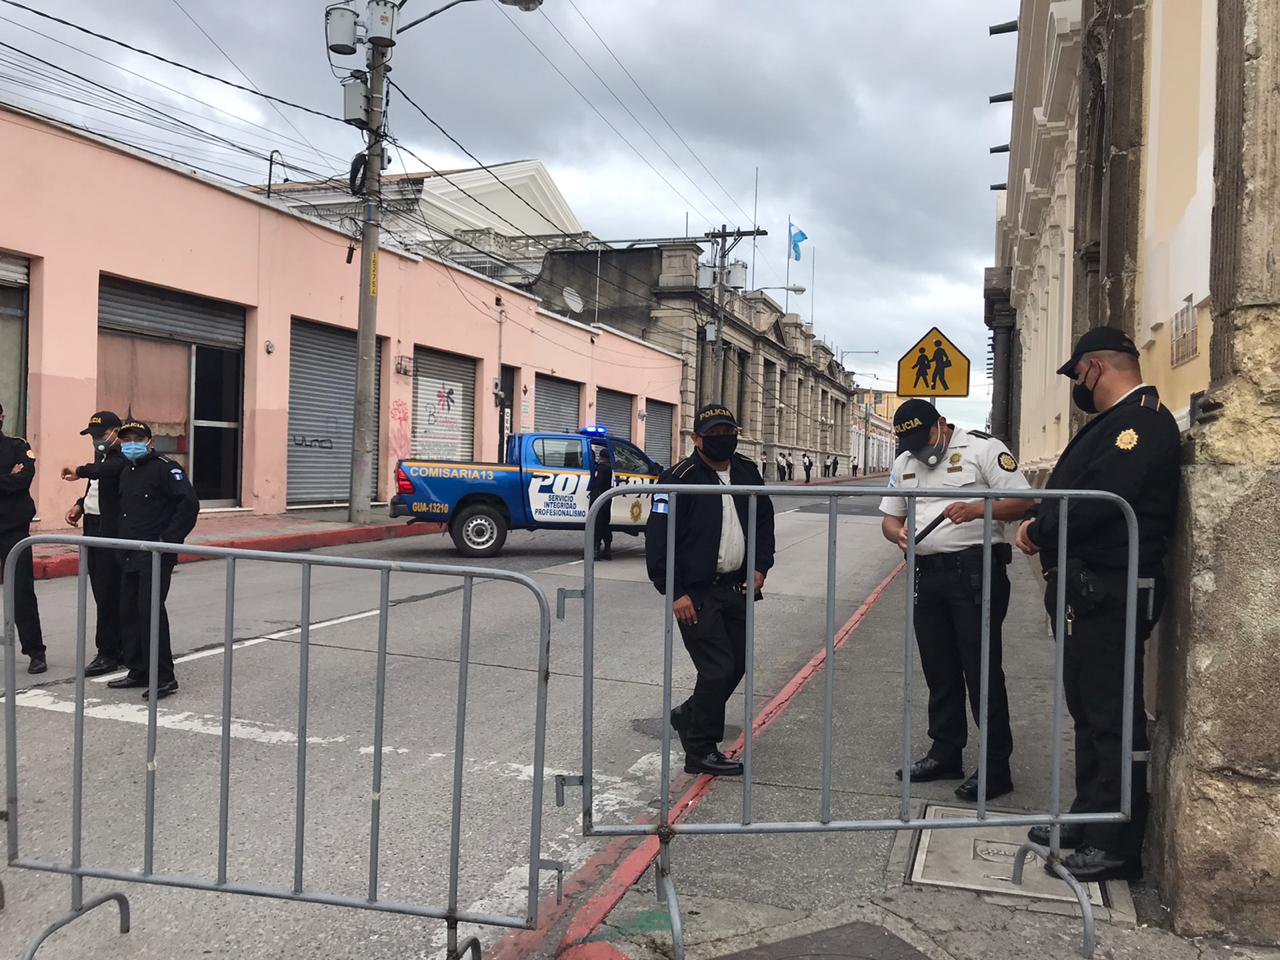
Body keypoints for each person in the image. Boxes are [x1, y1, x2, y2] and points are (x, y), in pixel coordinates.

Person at [1015, 328, 1180, 882]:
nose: (1077, 388)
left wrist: (1041, 528)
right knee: (1088, 709)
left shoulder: (1142, 423)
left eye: (1077, 376)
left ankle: (1116, 841)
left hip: (1114, 589)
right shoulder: (1115, 424)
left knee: (1112, 713)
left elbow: (1096, 500)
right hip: (1090, 590)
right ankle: (1090, 815)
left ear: (1093, 368)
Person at [880, 399, 1033, 802]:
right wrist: (896, 533)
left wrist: (977, 508)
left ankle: (996, 767)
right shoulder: (905, 461)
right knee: (940, 669)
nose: (919, 449)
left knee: (981, 671)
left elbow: (1024, 502)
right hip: (927, 575)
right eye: (909, 443)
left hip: (976, 573)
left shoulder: (984, 450)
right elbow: (890, 516)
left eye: (924, 438)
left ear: (942, 424)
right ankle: (945, 751)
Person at [646, 403, 775, 776]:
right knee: (717, 668)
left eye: (728, 432)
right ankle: (701, 750)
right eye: (714, 434)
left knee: (736, 663)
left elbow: (763, 523)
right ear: (696, 439)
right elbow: (658, 542)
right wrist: (675, 592)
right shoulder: (677, 479)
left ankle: (689, 715)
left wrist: (761, 565)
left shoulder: (748, 472)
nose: (723, 440)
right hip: (696, 593)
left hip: (737, 585)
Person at [106, 419, 199, 700]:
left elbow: (189, 504)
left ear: (150, 442)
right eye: (126, 439)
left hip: (155, 554)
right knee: (129, 612)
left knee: (150, 612)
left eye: (136, 438)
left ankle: (163, 676)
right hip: (130, 553)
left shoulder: (165, 469)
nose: (130, 443)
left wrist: (168, 540)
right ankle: (138, 669)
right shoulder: (127, 471)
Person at [62, 411, 126, 675]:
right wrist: (80, 505)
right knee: (102, 591)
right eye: (93, 436)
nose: (96, 441)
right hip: (93, 525)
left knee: (110, 591)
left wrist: (79, 470)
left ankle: (109, 653)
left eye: (100, 435)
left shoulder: (123, 457)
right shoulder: (103, 455)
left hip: (111, 529)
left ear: (115, 433)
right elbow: (95, 484)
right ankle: (116, 647)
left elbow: (105, 472)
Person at [0, 402, 46, 674]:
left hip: (14, 530)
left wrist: (12, 478)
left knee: (22, 593)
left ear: (2, 416)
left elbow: (24, 479)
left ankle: (35, 652)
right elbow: (13, 482)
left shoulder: (17, 446)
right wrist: (7, 477)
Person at [589, 443, 613, 562]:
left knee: (596, 525)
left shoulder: (601, 469)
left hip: (598, 499)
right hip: (607, 500)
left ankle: (595, 552)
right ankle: (607, 550)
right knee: (605, 525)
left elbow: (597, 483)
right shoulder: (611, 469)